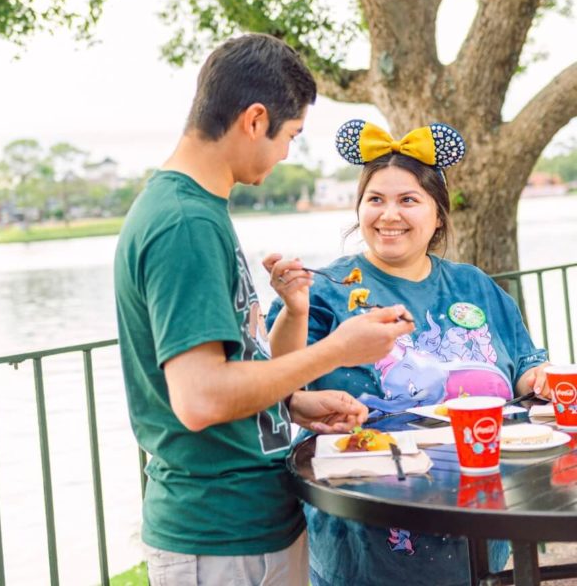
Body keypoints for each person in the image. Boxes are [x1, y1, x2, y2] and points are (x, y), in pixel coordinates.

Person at [114, 36, 415, 586]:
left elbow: (235, 370)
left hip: (253, 524)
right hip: (220, 535)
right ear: (256, 120)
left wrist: (293, 401)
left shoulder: (199, 209)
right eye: (291, 136)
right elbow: (200, 397)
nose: (286, 155)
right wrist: (338, 348)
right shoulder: (185, 223)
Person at [266, 118, 552, 586]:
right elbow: (279, 379)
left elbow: (522, 363)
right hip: (364, 531)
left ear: (438, 214)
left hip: (477, 521)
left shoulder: (473, 285)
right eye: (375, 199)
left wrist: (539, 377)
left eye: (408, 200)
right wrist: (294, 310)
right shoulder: (325, 289)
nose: (389, 214)